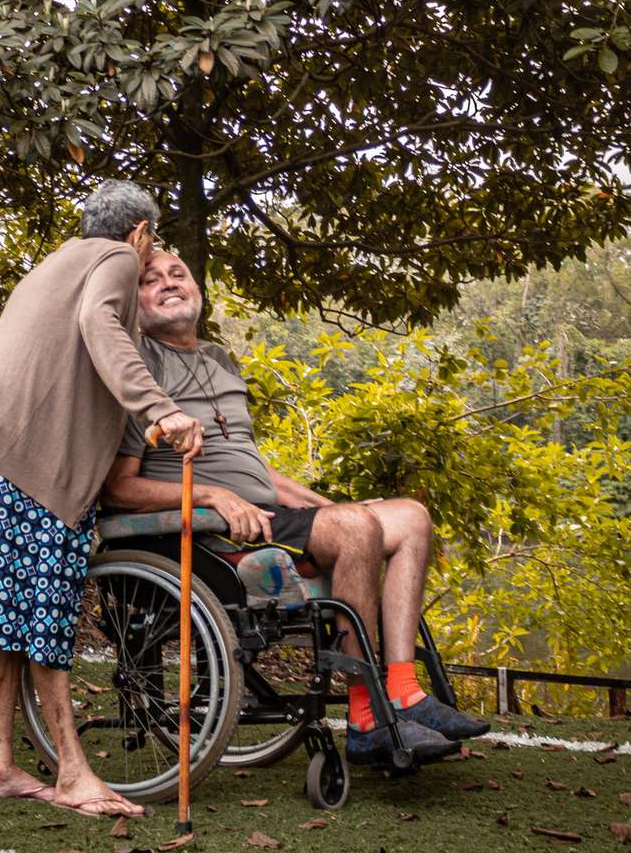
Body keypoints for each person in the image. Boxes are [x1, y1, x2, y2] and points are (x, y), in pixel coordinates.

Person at [102, 249, 489, 769]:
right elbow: (118, 489)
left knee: (411, 517)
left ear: (198, 288)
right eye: (152, 280)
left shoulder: (218, 359)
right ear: (135, 302)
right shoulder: (139, 369)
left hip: (267, 511)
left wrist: (327, 506)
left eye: (179, 274)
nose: (169, 284)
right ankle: (365, 717)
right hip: (210, 530)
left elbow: (254, 468)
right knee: (354, 529)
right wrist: (210, 495)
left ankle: (400, 688)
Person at [0, 182, 204, 818]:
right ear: (138, 233)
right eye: (151, 240)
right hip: (30, 458)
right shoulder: (117, 259)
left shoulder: (56, 260)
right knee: (42, 613)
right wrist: (162, 408)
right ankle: (73, 773)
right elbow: (99, 324)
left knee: (11, 615)